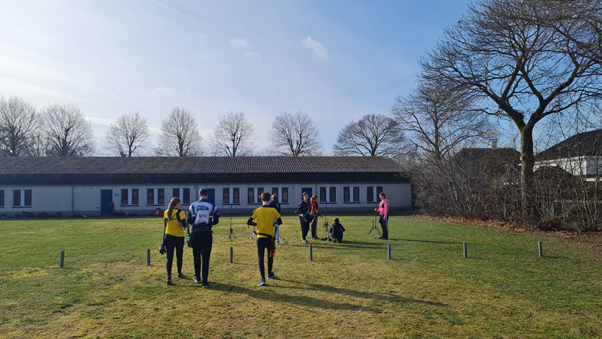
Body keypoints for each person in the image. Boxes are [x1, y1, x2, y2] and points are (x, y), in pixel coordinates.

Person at [248, 192, 282, 286]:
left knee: (260, 257)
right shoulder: (273, 210)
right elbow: (280, 221)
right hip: (270, 237)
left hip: (260, 237)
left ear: (261, 199)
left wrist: (256, 224)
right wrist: (272, 224)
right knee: (270, 255)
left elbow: (249, 221)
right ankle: (269, 273)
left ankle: (262, 278)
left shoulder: (257, 210)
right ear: (270, 200)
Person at [188, 188, 220, 288]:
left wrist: (194, 224)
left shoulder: (193, 205)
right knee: (206, 257)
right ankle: (205, 282)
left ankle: (197, 276)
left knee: (196, 256)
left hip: (196, 233)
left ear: (199, 195)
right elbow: (216, 220)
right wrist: (209, 224)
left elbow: (189, 219)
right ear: (207, 195)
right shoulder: (212, 206)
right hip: (206, 232)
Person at [163, 197, 187, 285]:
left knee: (169, 258)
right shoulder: (180, 212)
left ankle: (169, 276)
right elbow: (184, 225)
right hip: (178, 236)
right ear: (177, 204)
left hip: (168, 236)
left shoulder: (166, 212)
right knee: (179, 256)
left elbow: (165, 226)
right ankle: (179, 272)